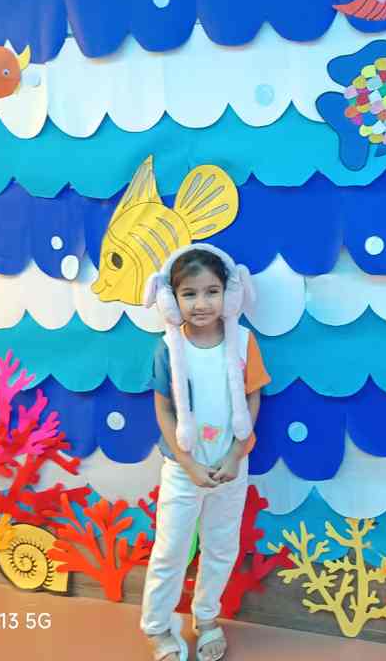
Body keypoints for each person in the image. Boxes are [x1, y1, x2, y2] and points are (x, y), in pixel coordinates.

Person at [139, 244, 270, 661]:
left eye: (212, 292)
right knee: (171, 550)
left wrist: (234, 455)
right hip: (184, 469)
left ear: (229, 295)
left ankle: (207, 617)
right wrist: (189, 463)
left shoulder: (244, 342)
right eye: (189, 294)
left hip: (231, 466)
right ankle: (158, 628)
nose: (201, 303)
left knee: (221, 547)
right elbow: (163, 408)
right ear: (171, 299)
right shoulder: (168, 348)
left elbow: (252, 398)